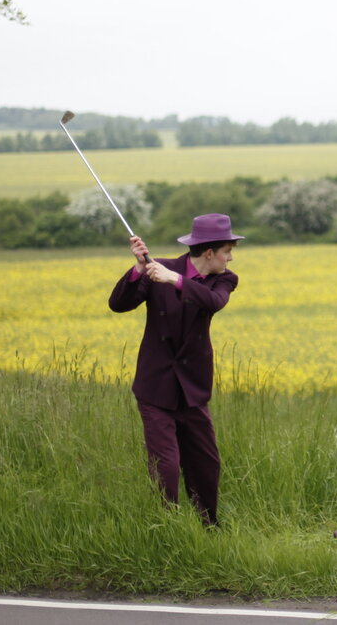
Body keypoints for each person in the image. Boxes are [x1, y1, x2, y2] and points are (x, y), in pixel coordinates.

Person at [108, 212, 242, 526]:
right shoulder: (158, 269)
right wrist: (138, 270)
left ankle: (210, 527)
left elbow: (212, 302)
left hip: (193, 388)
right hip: (156, 388)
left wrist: (175, 280)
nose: (231, 258)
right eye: (227, 251)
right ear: (209, 252)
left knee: (206, 464)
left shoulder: (224, 278)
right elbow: (118, 304)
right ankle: (169, 528)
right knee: (166, 465)